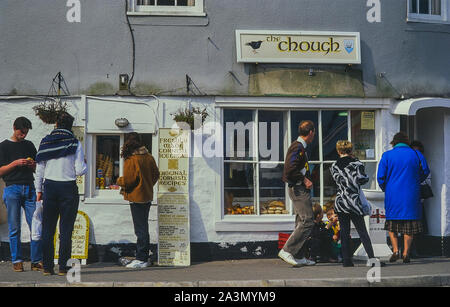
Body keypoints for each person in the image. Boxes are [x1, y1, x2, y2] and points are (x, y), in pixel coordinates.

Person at [35, 112, 87, 276]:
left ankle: (47, 267)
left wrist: (38, 191)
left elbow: (40, 169)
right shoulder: (74, 143)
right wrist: (86, 164)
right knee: (66, 230)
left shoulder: (45, 142)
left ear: (56, 125)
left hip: (49, 187)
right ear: (70, 126)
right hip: (68, 188)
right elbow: (79, 170)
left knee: (48, 229)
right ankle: (63, 268)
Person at [377, 132, 430, 264]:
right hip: (411, 194)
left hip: (393, 194)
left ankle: (395, 250)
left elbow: (380, 176)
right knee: (409, 225)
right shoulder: (416, 154)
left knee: (392, 225)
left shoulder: (387, 155)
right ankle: (406, 252)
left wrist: (386, 188)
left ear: (394, 142)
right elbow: (425, 170)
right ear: (407, 142)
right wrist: (417, 180)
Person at [0, 117, 42, 272]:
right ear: (14, 128)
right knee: (14, 227)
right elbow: (0, 171)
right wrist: (15, 164)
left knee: (36, 225)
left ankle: (36, 260)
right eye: (21, 132)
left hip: (29, 187)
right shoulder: (3, 146)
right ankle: (16, 260)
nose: (23, 135)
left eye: (26, 132)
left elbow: (38, 167)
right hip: (12, 188)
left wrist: (33, 165)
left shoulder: (29, 145)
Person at [330, 140, 382, 267]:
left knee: (344, 232)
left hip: (341, 201)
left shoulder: (334, 166)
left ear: (338, 151)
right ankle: (372, 259)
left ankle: (346, 260)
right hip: (354, 201)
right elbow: (363, 179)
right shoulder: (357, 164)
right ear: (351, 150)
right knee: (362, 231)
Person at [117, 132, 160, 269]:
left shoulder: (131, 159)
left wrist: (118, 180)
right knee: (143, 227)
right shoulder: (149, 157)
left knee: (140, 229)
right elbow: (156, 175)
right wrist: (147, 185)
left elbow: (129, 180)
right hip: (146, 196)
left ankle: (141, 258)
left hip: (136, 197)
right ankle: (143, 257)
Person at [279, 120, 316, 267]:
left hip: (299, 188)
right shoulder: (298, 147)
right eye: (314, 133)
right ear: (311, 132)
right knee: (308, 221)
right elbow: (289, 169)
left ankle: (299, 255)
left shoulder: (300, 146)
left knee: (301, 221)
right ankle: (287, 250)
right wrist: (304, 179)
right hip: (298, 189)